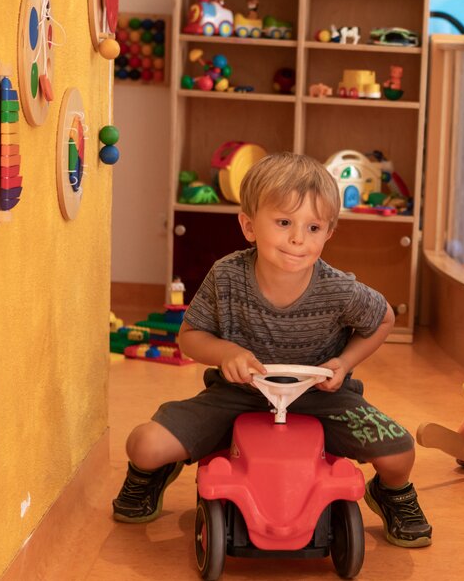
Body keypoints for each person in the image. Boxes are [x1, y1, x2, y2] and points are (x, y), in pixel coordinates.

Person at [111, 153, 432, 548]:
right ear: (248, 225)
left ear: (329, 232)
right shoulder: (227, 275)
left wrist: (344, 363)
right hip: (237, 396)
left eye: (313, 227)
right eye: (283, 223)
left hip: (320, 399)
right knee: (144, 445)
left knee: (400, 453)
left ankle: (391, 494)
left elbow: (383, 319)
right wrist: (225, 353)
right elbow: (190, 336)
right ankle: (151, 476)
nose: (298, 238)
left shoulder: (339, 288)